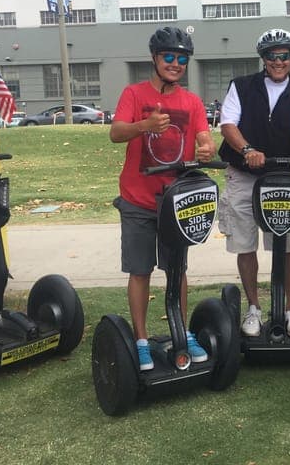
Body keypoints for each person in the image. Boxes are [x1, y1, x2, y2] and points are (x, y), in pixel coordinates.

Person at [110, 26, 216, 371]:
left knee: (177, 271)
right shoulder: (134, 94)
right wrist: (145, 125)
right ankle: (141, 341)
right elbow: (116, 133)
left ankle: (181, 332)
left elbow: (205, 137)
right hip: (138, 200)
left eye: (182, 59)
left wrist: (207, 148)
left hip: (177, 200)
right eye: (169, 57)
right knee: (140, 270)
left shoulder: (192, 101)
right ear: (155, 58)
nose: (175, 64)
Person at [217, 29, 290, 338]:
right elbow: (228, 125)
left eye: (284, 55)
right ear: (263, 58)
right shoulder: (241, 87)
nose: (278, 61)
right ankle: (254, 308)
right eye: (272, 56)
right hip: (244, 175)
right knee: (245, 244)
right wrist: (247, 150)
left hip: (282, 178)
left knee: (285, 244)